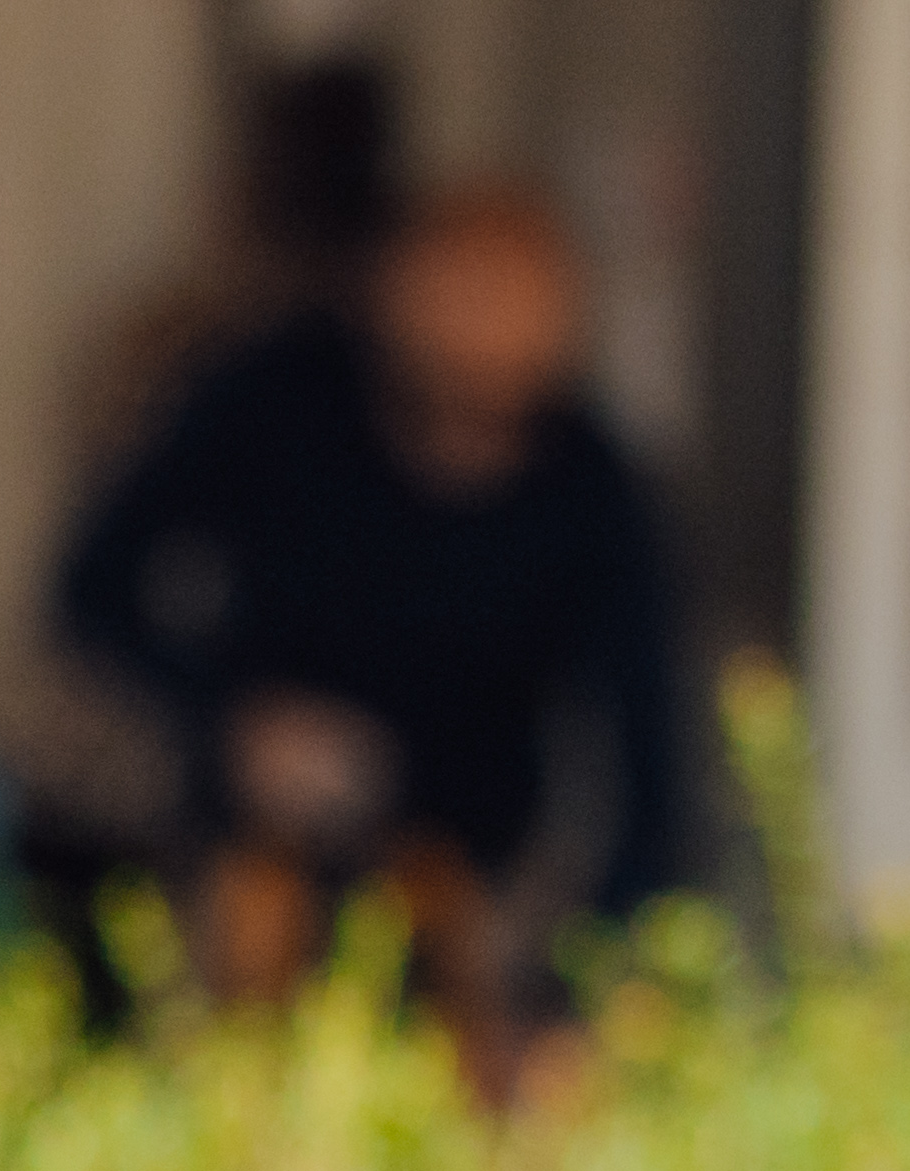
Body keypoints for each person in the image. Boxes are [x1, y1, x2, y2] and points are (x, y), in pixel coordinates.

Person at [55, 173, 688, 1044]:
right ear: (395, 294)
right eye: (468, 297)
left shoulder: (588, 486)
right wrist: (234, 719)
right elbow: (94, 586)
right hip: (251, 866)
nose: (494, 337)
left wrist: (583, 991)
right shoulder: (278, 396)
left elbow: (649, 762)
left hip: (467, 887)